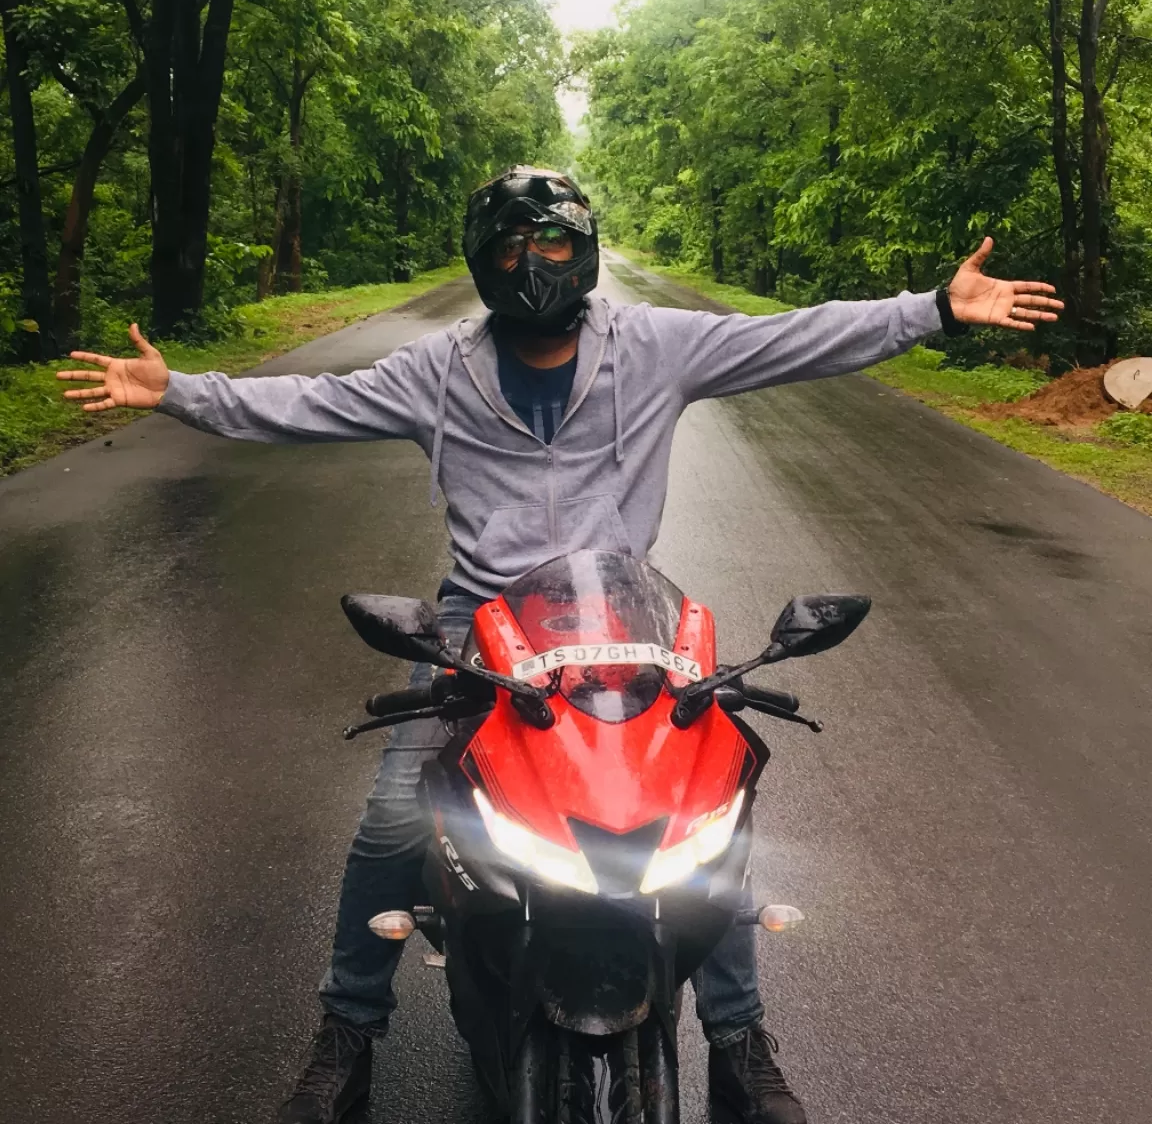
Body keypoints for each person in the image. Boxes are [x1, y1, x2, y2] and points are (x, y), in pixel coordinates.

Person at [59, 167, 1062, 1124]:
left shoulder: (656, 347)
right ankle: (346, 1035)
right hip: (480, 624)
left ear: (582, 249)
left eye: (552, 239)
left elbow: (796, 339)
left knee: (700, 812)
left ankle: (741, 1038)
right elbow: (300, 406)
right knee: (393, 821)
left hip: (626, 623)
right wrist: (179, 390)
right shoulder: (434, 375)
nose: (533, 259)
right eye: (511, 243)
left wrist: (933, 308)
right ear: (481, 259)